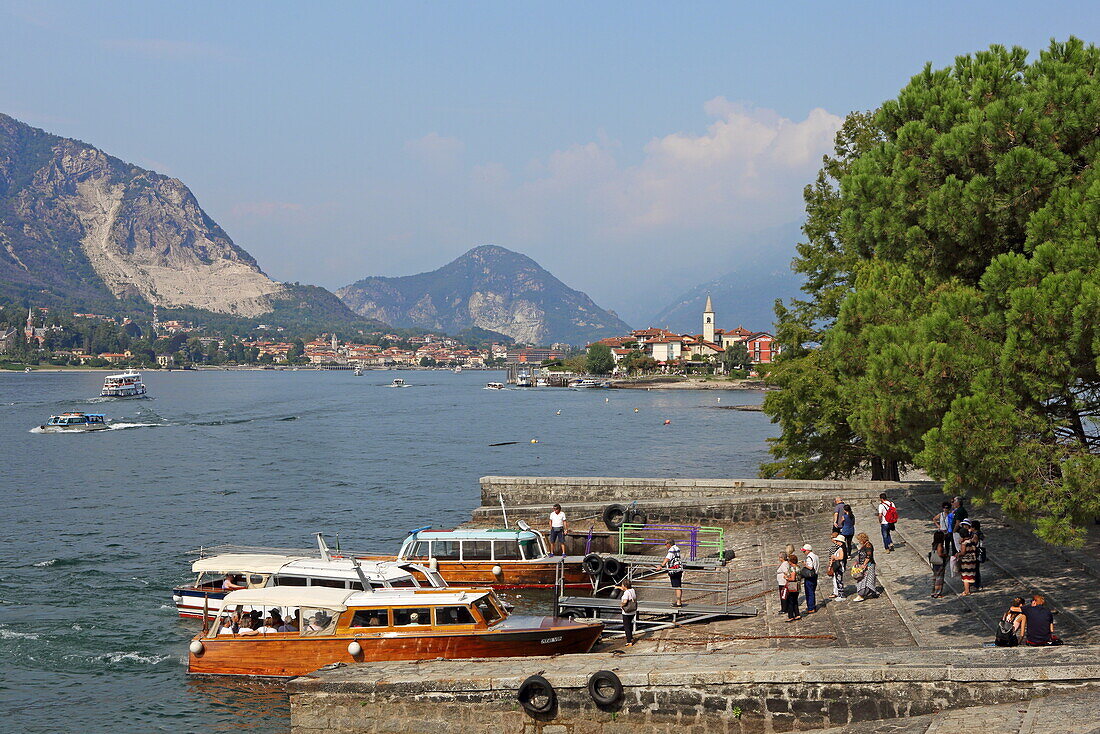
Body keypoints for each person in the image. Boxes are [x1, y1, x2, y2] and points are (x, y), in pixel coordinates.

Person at [851, 532, 877, 602]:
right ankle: (871, 593)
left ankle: (861, 595)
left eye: (859, 539)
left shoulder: (868, 546)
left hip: (868, 566)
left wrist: (864, 565)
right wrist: (857, 562)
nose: (859, 541)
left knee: (865, 580)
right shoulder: (864, 545)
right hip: (862, 564)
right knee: (863, 579)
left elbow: (868, 557)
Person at [658, 539, 684, 606]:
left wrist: (661, 565)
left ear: (669, 544)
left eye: (666, 544)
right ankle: (679, 601)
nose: (665, 546)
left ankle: (678, 603)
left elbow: (668, 558)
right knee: (678, 586)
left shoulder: (671, 550)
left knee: (677, 586)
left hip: (674, 570)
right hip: (679, 569)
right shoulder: (677, 548)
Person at [955, 522, 978, 595]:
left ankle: (966, 591)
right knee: (970, 574)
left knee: (965, 576)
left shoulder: (964, 543)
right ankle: (969, 589)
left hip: (966, 560)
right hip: (972, 559)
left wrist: (958, 554)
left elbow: (963, 552)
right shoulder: (971, 541)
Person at [617, 578, 638, 646]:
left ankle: (629, 642)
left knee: (626, 627)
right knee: (629, 625)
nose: (622, 586)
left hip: (627, 612)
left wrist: (621, 605)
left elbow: (625, 601)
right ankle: (631, 638)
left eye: (622, 585)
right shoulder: (632, 590)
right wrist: (617, 587)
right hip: (633, 611)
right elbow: (625, 589)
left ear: (625, 586)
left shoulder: (626, 593)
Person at [800, 544, 819, 614]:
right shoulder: (816, 556)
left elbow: (810, 567)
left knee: (809, 592)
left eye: (804, 551)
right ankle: (812, 606)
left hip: (810, 576)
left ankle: (811, 608)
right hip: (815, 575)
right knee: (812, 591)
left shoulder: (809, 557)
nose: (804, 553)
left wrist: (804, 564)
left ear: (808, 550)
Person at [783, 553, 802, 621]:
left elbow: (793, 578)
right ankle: (797, 614)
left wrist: (787, 578)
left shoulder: (793, 568)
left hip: (792, 586)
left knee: (790, 601)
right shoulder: (798, 567)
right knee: (795, 601)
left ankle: (791, 616)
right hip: (797, 586)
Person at [828, 534, 847, 601]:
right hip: (840, 566)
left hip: (839, 566)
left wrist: (834, 557)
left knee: (839, 580)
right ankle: (840, 594)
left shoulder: (841, 548)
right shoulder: (843, 548)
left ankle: (841, 595)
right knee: (839, 580)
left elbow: (841, 557)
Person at [930, 530, 948, 598]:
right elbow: (940, 553)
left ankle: (933, 592)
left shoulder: (934, 544)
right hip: (939, 563)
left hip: (935, 563)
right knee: (939, 578)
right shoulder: (940, 545)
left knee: (935, 577)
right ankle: (937, 593)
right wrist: (945, 555)